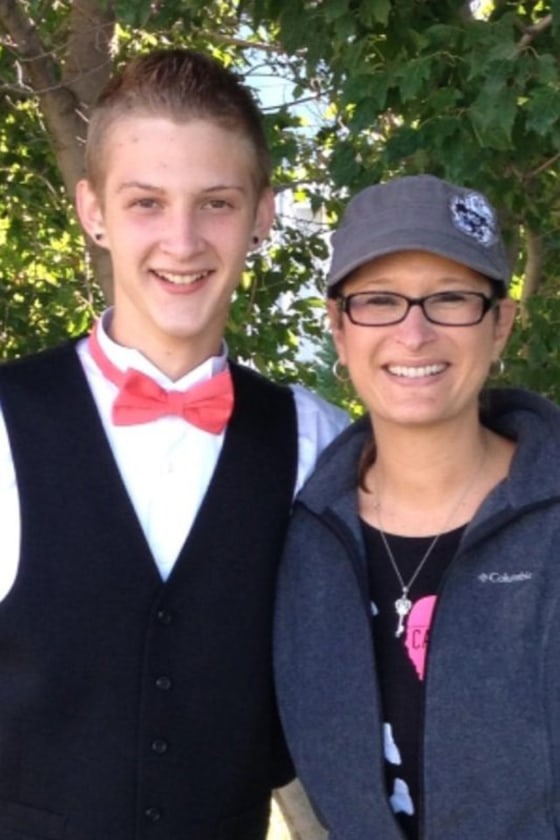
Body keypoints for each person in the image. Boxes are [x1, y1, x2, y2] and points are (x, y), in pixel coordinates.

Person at [0, 48, 347, 839]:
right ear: (93, 211)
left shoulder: (317, 441)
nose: (183, 241)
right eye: (147, 202)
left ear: (263, 213)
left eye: (217, 203)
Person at [275, 173, 560, 839]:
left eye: (450, 299)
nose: (414, 334)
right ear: (339, 330)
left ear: (500, 325)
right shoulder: (299, 540)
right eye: (378, 301)